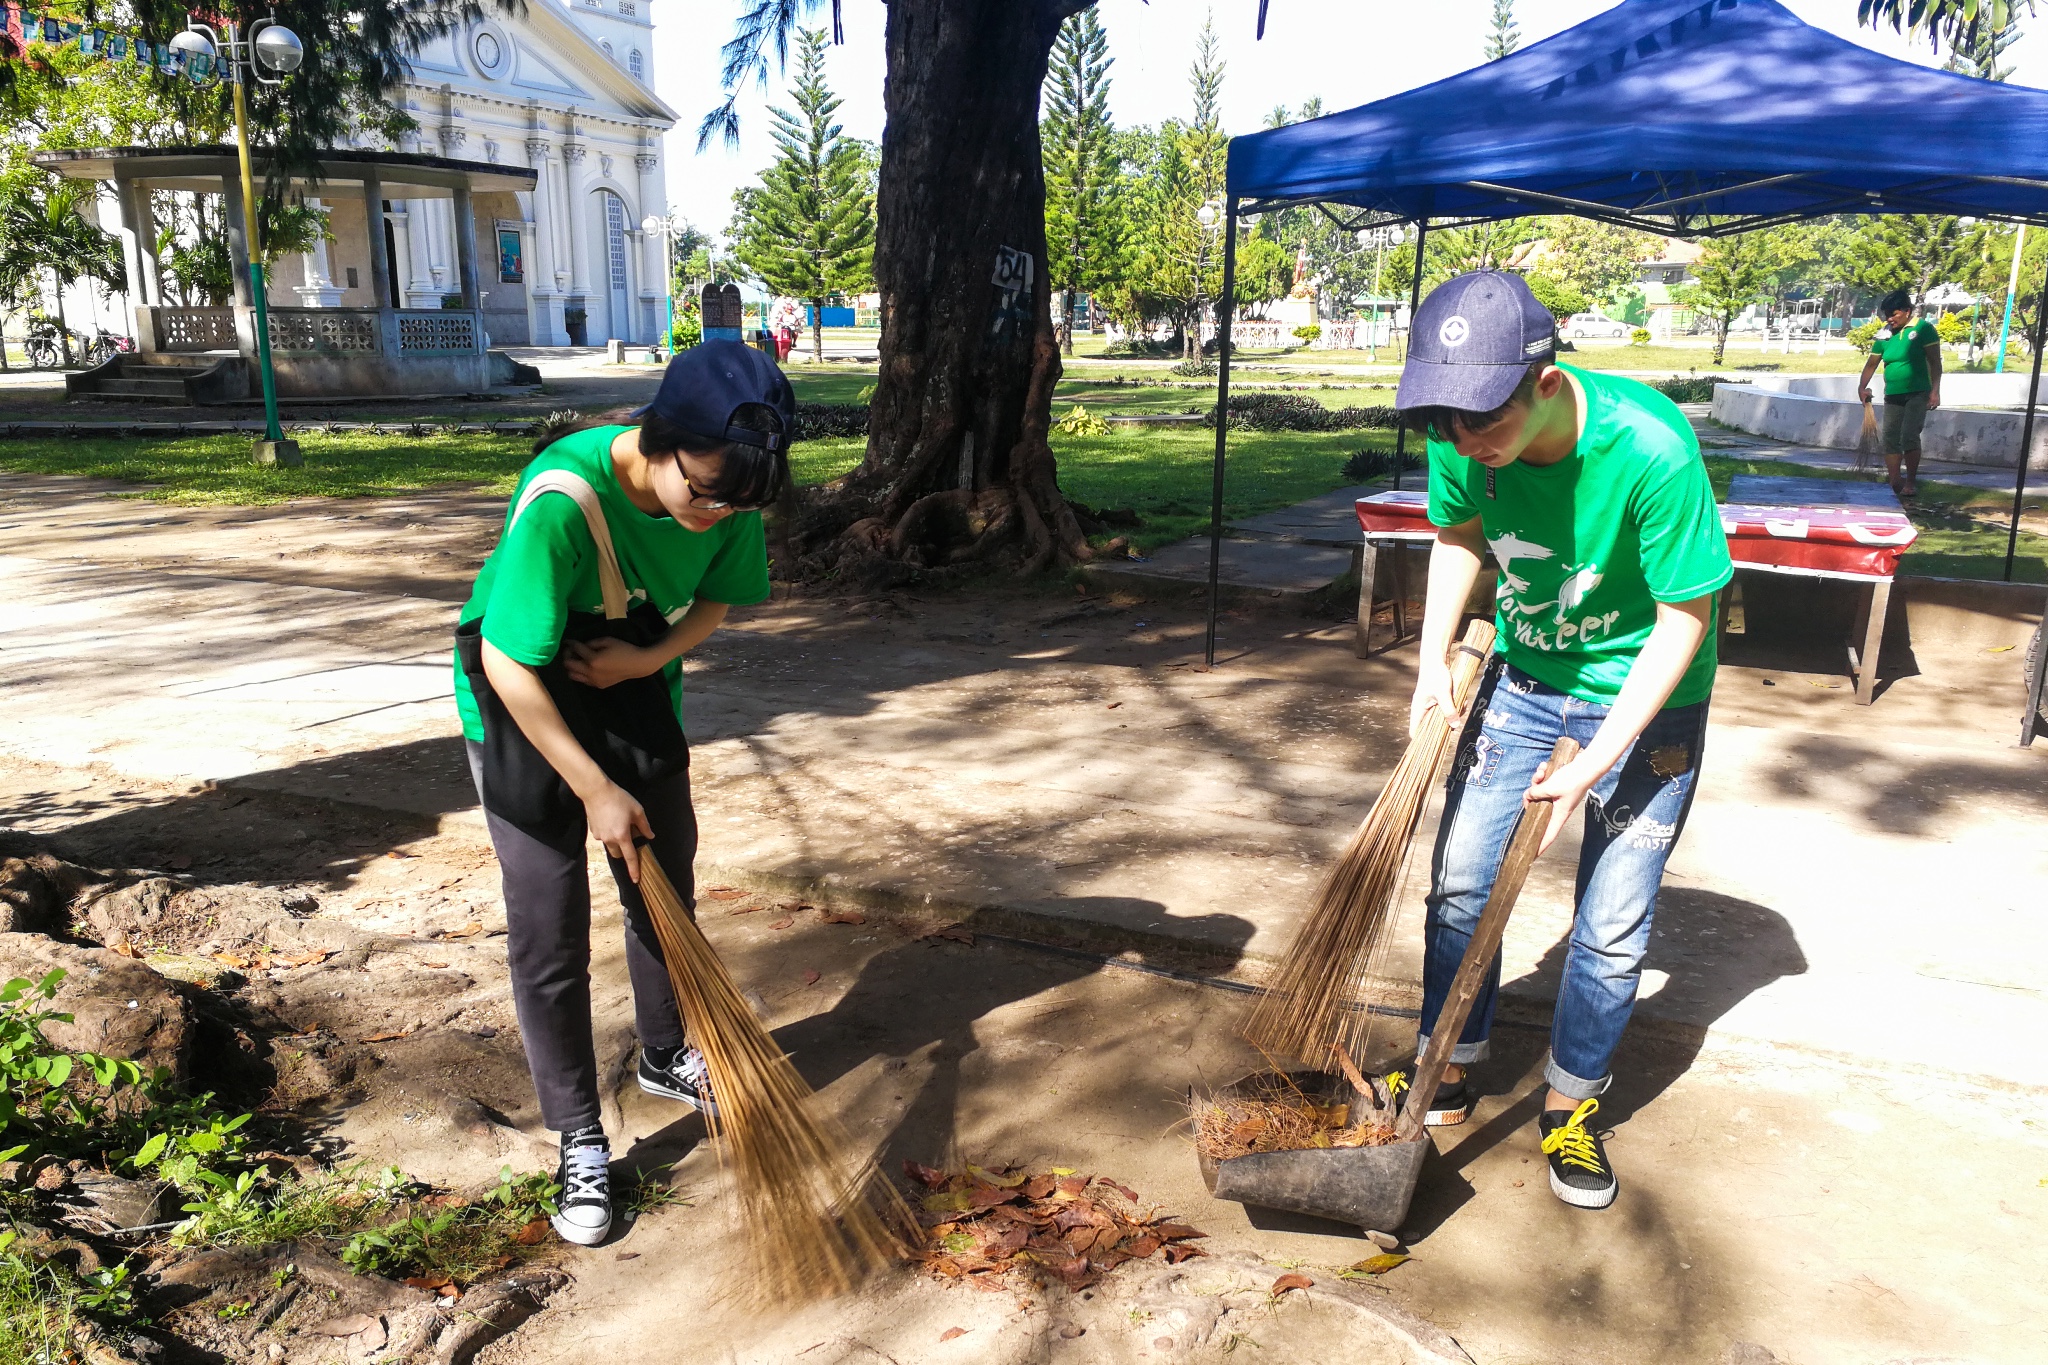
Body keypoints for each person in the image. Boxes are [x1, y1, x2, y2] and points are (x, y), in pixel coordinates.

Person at [1395, 271, 1732, 1211]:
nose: (1465, 442)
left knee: (1611, 925)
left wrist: (1595, 759)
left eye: (1483, 422)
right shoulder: (1462, 429)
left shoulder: (1651, 447)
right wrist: (1430, 666)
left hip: (1647, 700)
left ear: (1545, 380)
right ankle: (1449, 1066)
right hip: (1525, 679)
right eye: (1446, 423)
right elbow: (1459, 534)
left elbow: (1683, 618)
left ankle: (1570, 1105)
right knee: (1462, 880)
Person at [452, 340, 792, 1246]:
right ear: (658, 440)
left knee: (662, 883)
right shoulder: (563, 505)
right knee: (548, 924)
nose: (715, 515)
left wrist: (643, 657)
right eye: (703, 494)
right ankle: (577, 1134)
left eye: (734, 503)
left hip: (624, 685)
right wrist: (594, 788)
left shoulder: (734, 482)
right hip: (521, 703)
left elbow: (719, 595)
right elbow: (505, 659)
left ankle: (668, 1049)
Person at [1857, 289, 1942, 498]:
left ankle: (1911, 482)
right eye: (1887, 314)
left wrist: (1935, 391)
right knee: (1891, 437)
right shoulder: (1884, 334)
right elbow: (1872, 363)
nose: (1890, 319)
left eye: (1894, 314)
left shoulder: (1924, 329)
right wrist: (1862, 386)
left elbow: (1935, 362)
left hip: (1917, 392)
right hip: (1892, 393)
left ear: (1907, 311)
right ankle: (1895, 480)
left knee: (1909, 436)